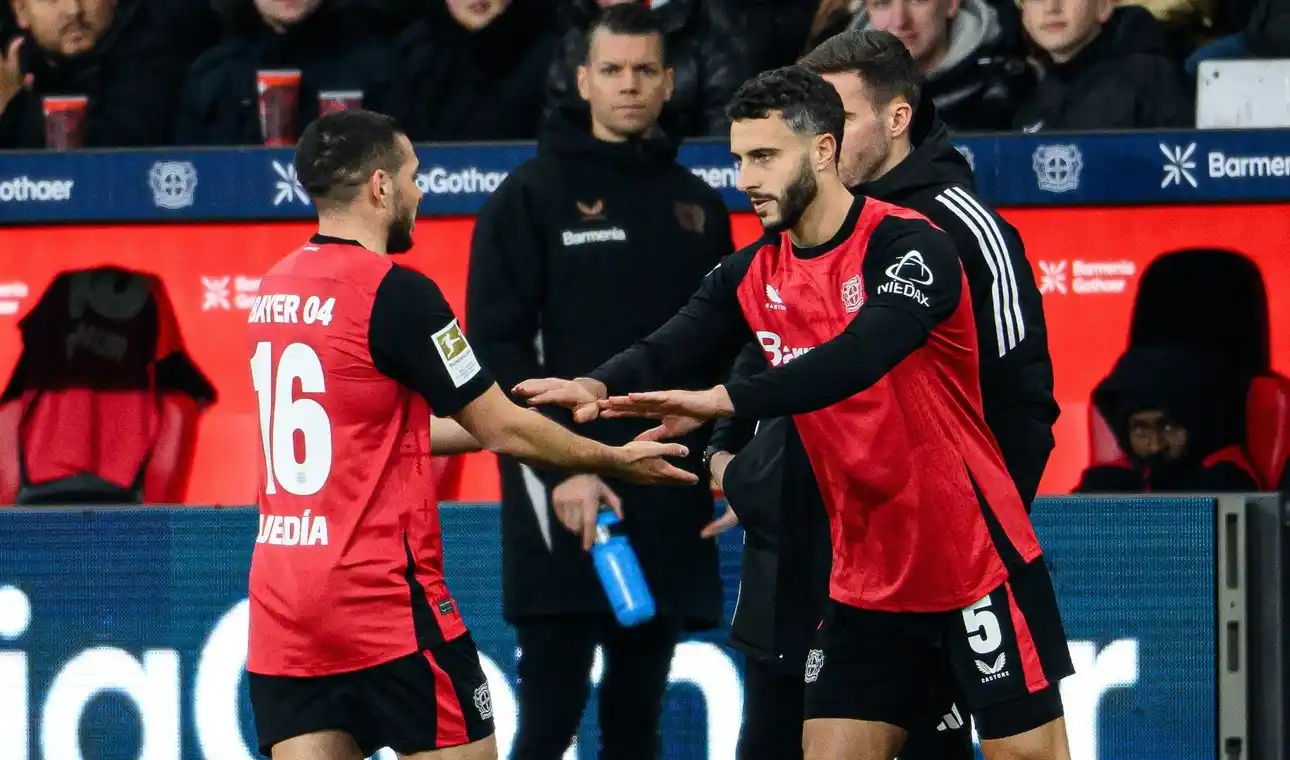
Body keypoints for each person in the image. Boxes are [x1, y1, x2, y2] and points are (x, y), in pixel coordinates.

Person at [516, 67, 1074, 760]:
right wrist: (594, 387)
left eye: (763, 157)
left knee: (1029, 755)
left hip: (972, 558)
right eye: (738, 158)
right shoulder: (753, 271)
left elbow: (858, 358)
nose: (745, 177)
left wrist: (727, 399)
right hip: (864, 575)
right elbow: (673, 341)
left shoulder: (911, 246)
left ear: (822, 151)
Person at [243, 109, 696, 760]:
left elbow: (372, 432)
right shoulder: (397, 294)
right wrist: (616, 459)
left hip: (283, 606)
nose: (420, 192)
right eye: (413, 177)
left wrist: (550, 415)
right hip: (382, 603)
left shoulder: (272, 289)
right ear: (379, 187)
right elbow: (502, 429)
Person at [708, 30, 1060, 760]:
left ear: (897, 119)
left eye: (836, 114)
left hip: (944, 570)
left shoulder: (959, 230)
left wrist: (966, 562)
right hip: (812, 564)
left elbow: (1023, 407)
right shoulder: (795, 230)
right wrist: (730, 461)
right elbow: (762, 357)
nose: (818, 135)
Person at [465, 6, 735, 759]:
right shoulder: (528, 197)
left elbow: (723, 354)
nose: (628, 86)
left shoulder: (700, 205)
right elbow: (494, 353)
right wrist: (567, 467)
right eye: (612, 71)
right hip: (561, 494)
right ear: (583, 80)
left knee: (636, 721)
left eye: (645, 71)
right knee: (548, 718)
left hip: (662, 487)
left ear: (670, 81)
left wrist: (722, 458)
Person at [1075, 345, 1258, 493]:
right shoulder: (1108, 483)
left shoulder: (1225, 480)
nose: (1155, 445)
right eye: (1140, 430)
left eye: (1169, 427)